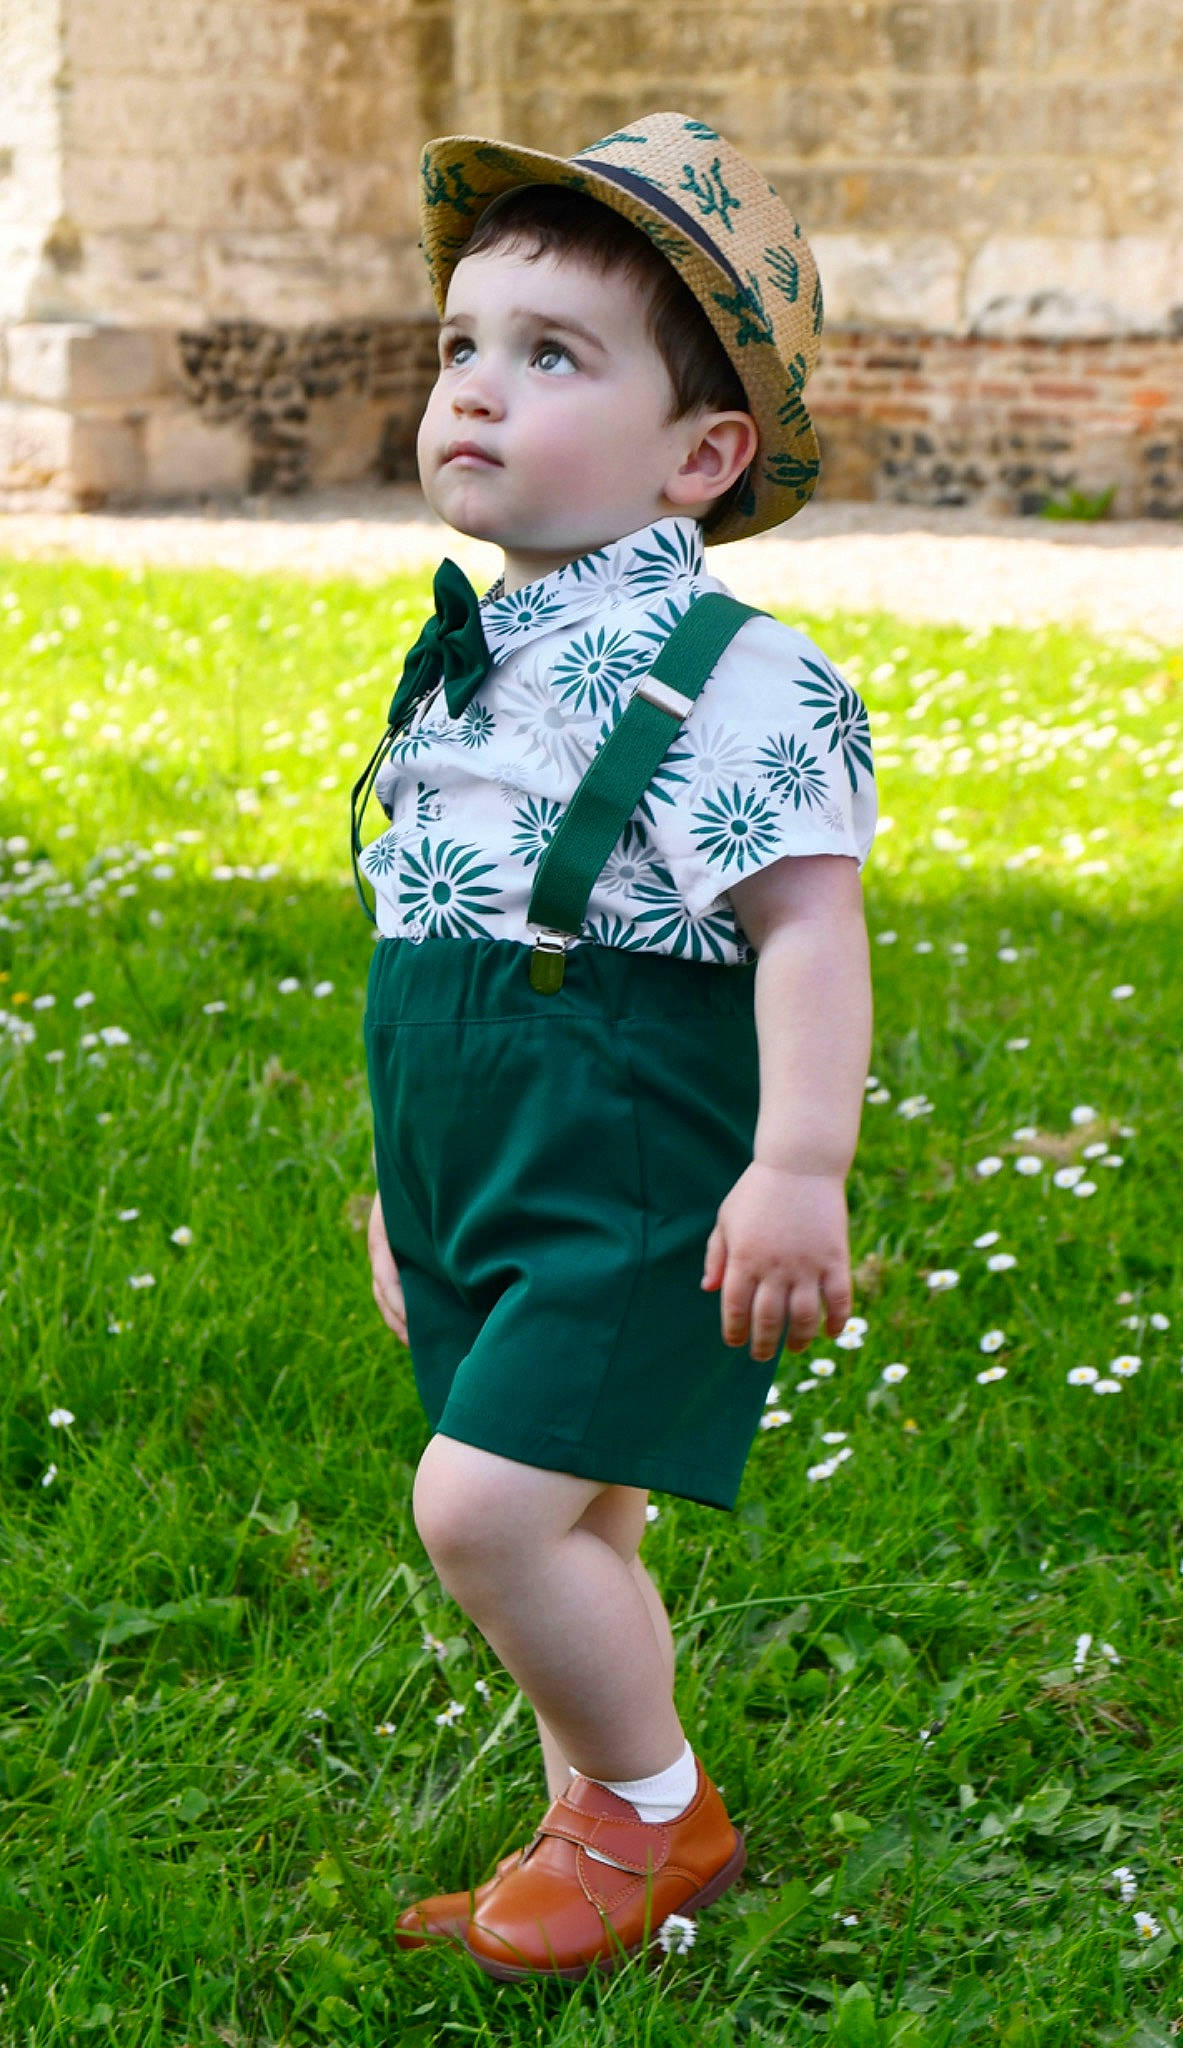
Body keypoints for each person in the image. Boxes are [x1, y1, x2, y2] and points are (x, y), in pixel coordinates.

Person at [354, 111, 877, 1982]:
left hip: (645, 1158)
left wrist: (797, 1162)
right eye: (460, 346)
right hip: (488, 1159)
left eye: (549, 355)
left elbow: (807, 922)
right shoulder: (472, 652)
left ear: (701, 455)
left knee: (483, 1507)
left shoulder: (738, 676)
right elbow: (445, 935)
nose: (476, 389)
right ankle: (600, 1812)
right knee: (577, 1510)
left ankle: (660, 1816)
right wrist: (418, 1198)